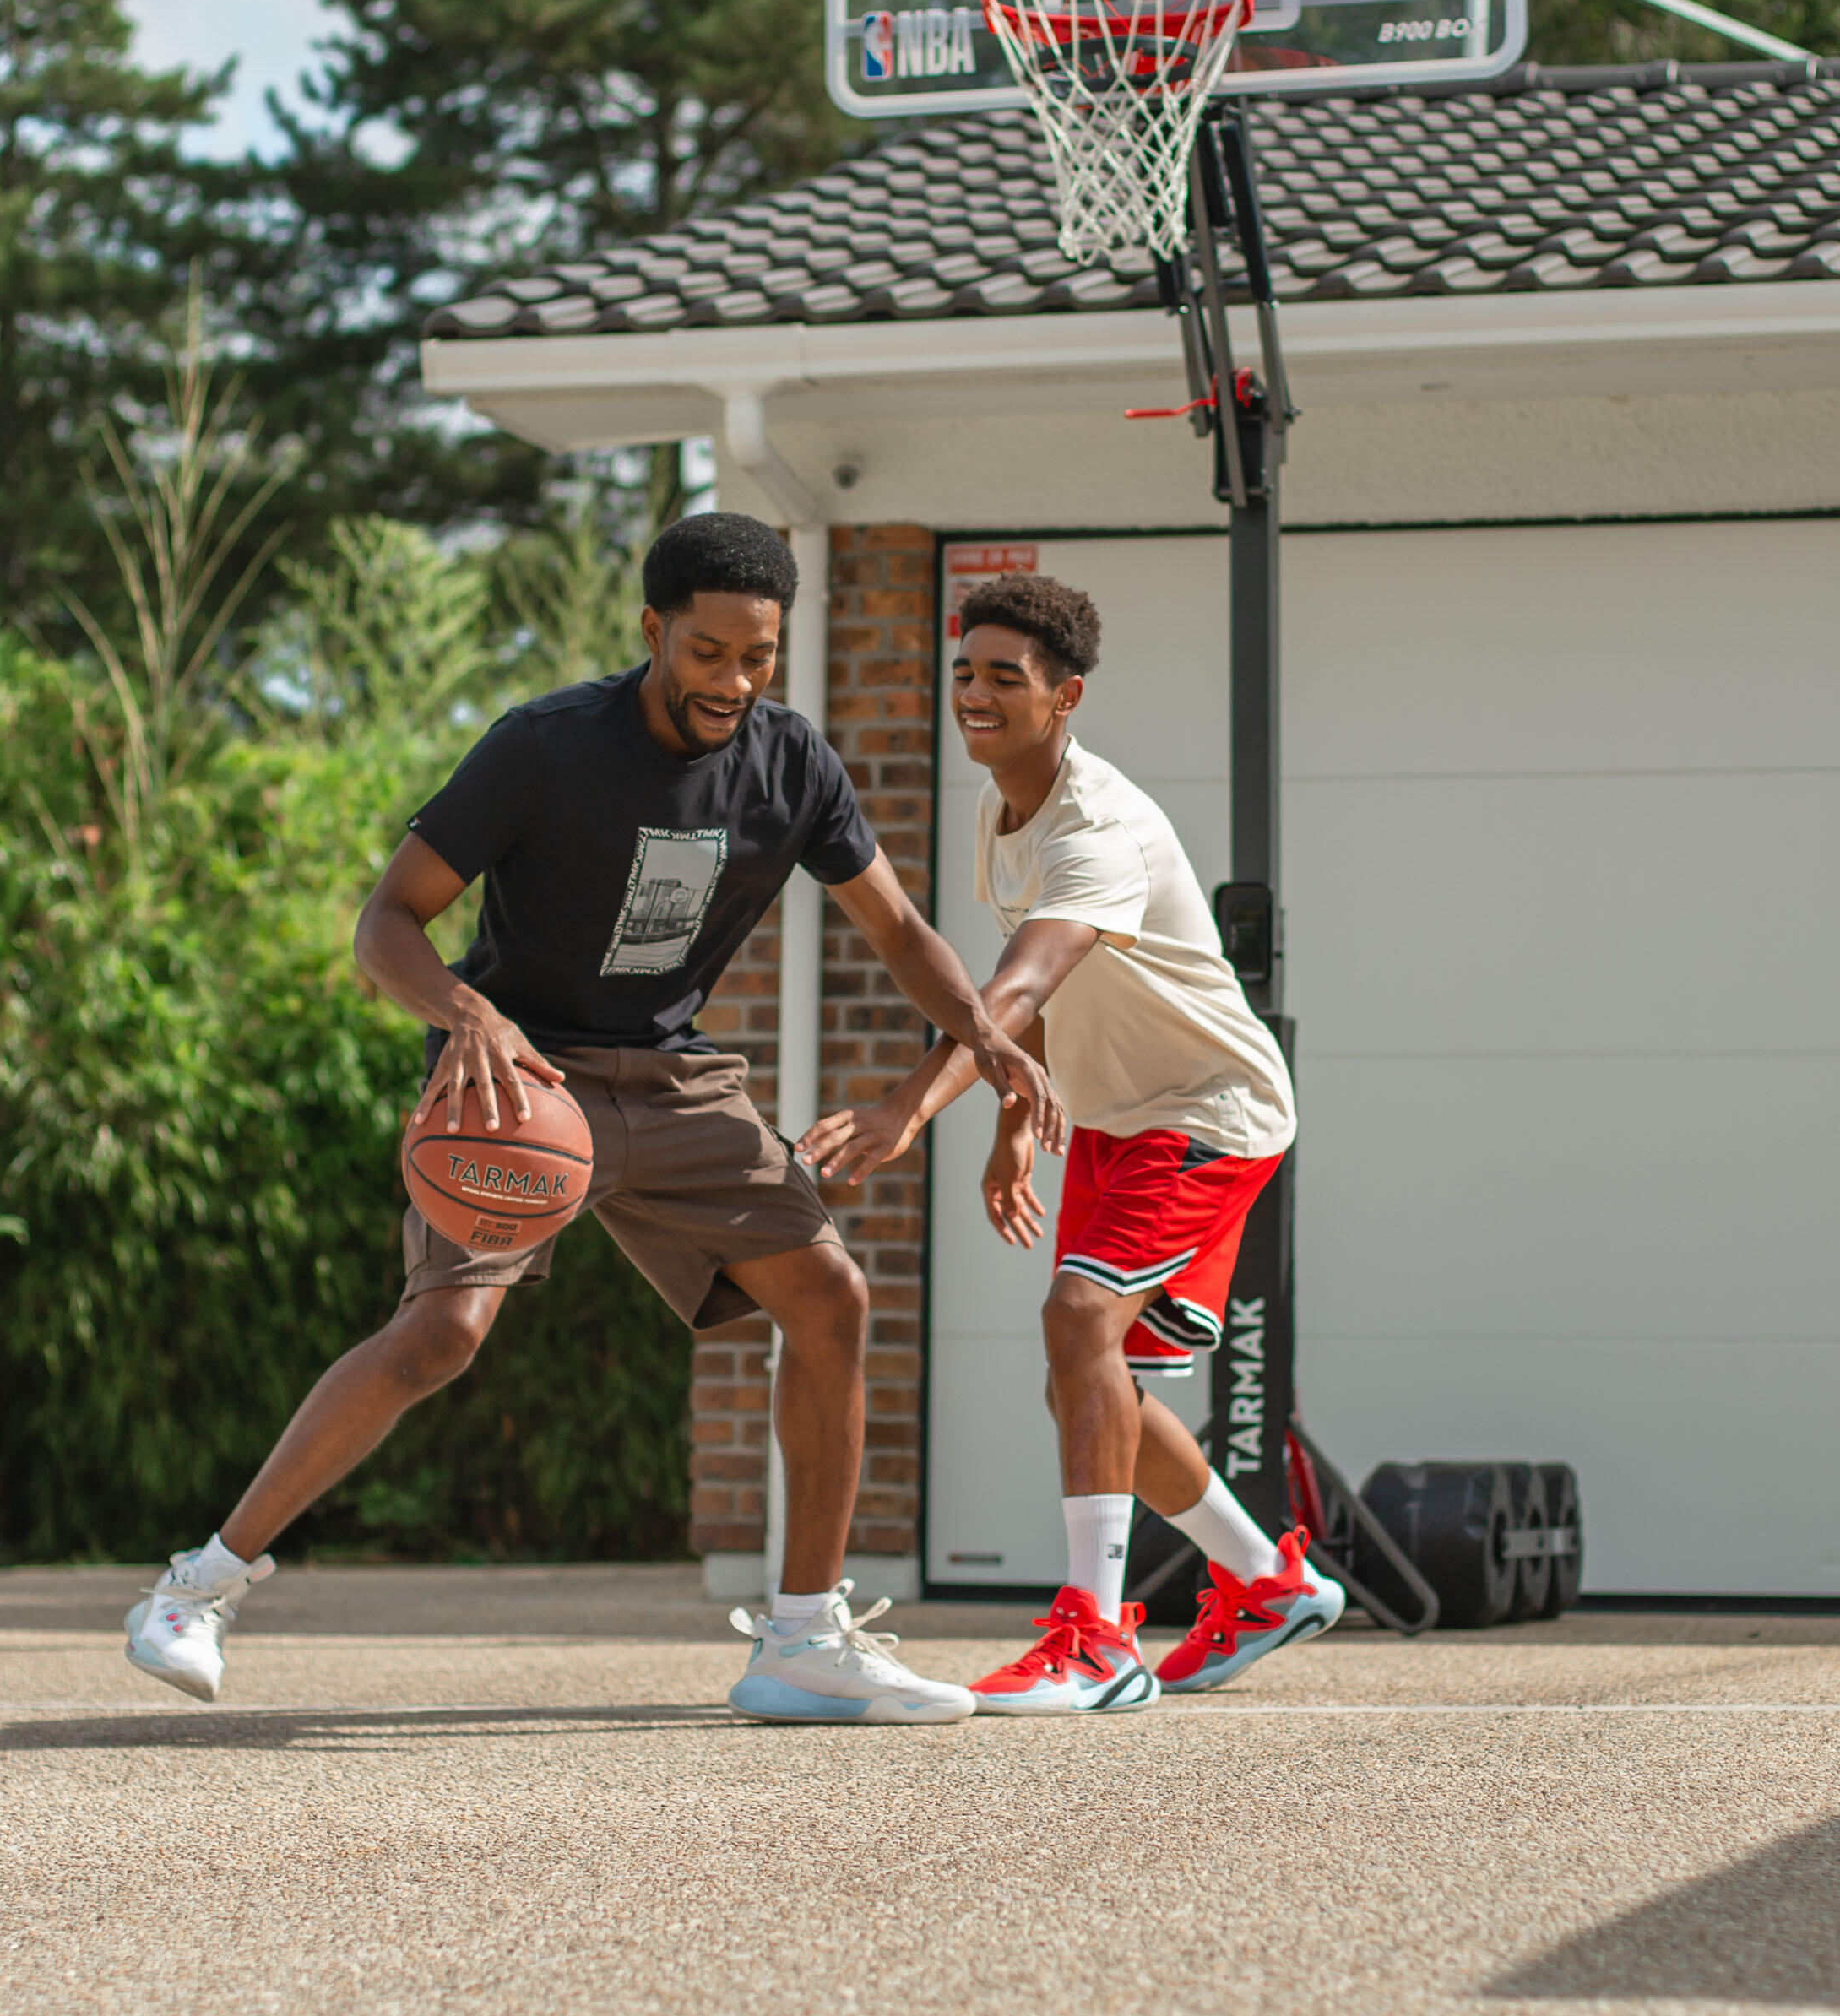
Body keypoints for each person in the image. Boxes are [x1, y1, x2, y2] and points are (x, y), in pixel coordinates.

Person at [124, 512, 1062, 1727]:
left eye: (759, 657)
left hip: (674, 1083)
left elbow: (895, 930)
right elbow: (386, 924)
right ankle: (196, 1590)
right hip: (519, 1086)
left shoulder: (792, 765)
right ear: (653, 631)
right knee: (441, 1339)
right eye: (709, 652)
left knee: (831, 1297)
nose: (734, 681)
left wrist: (984, 1040)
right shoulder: (544, 747)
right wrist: (465, 1014)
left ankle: (802, 1640)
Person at [805, 570, 1343, 1713]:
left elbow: (1025, 976)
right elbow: (1040, 1006)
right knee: (1083, 1381)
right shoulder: (1008, 813)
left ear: (1067, 697)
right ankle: (1265, 1577)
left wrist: (908, 1105)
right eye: (964, 674)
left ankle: (1098, 1640)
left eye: (1006, 677)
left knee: (1078, 1321)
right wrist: (1012, 1115)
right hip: (1114, 1114)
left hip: (1206, 1108)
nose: (976, 696)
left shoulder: (1096, 826)